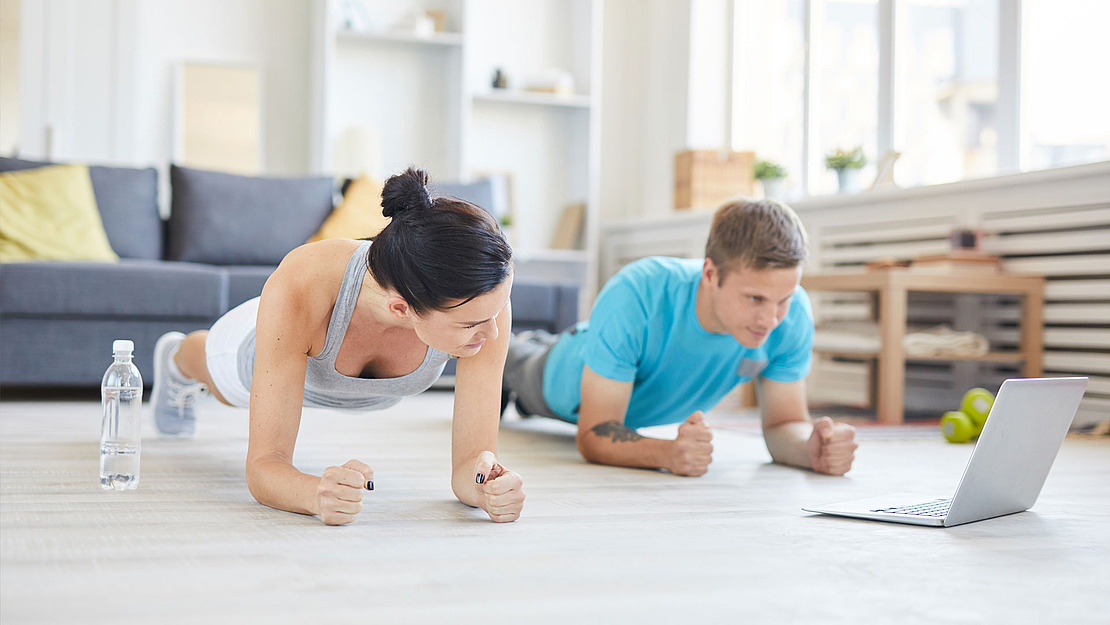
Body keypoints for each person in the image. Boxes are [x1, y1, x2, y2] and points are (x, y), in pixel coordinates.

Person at [151, 167, 525, 525]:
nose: (493, 334)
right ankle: (175, 360)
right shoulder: (306, 280)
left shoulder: (480, 301)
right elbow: (264, 468)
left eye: (494, 315)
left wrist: (485, 488)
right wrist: (315, 493)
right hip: (257, 344)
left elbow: (468, 467)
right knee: (218, 378)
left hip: (324, 351)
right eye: (472, 325)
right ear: (401, 309)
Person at [502, 197, 858, 477]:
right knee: (509, 358)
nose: (771, 319)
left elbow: (783, 425)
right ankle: (522, 353)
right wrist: (668, 453)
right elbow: (594, 433)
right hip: (557, 376)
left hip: (629, 404)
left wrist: (811, 449)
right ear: (710, 273)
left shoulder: (791, 315)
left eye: (784, 299)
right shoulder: (638, 291)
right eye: (755, 299)